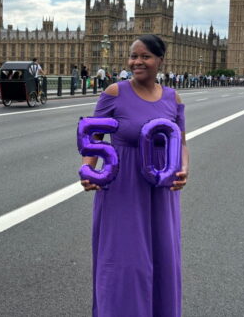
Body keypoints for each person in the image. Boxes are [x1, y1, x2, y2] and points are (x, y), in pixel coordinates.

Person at [81, 34, 189, 316]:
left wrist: (184, 169)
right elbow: (93, 133)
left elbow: (182, 142)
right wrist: (89, 168)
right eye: (133, 56)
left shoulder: (172, 98)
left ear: (160, 60)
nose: (137, 62)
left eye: (145, 56)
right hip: (123, 186)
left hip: (160, 188)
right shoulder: (115, 92)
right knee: (125, 260)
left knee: (162, 256)